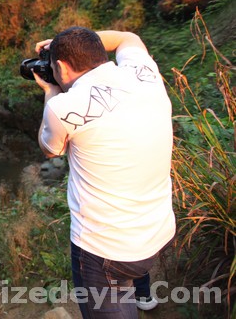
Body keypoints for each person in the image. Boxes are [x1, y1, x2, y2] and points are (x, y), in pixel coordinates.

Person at [32, 27, 176, 318]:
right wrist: (71, 43)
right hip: (157, 234)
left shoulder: (62, 107)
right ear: (99, 53)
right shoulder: (144, 72)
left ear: (59, 66)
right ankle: (144, 295)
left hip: (104, 252)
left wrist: (50, 91)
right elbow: (128, 38)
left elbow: (50, 149)